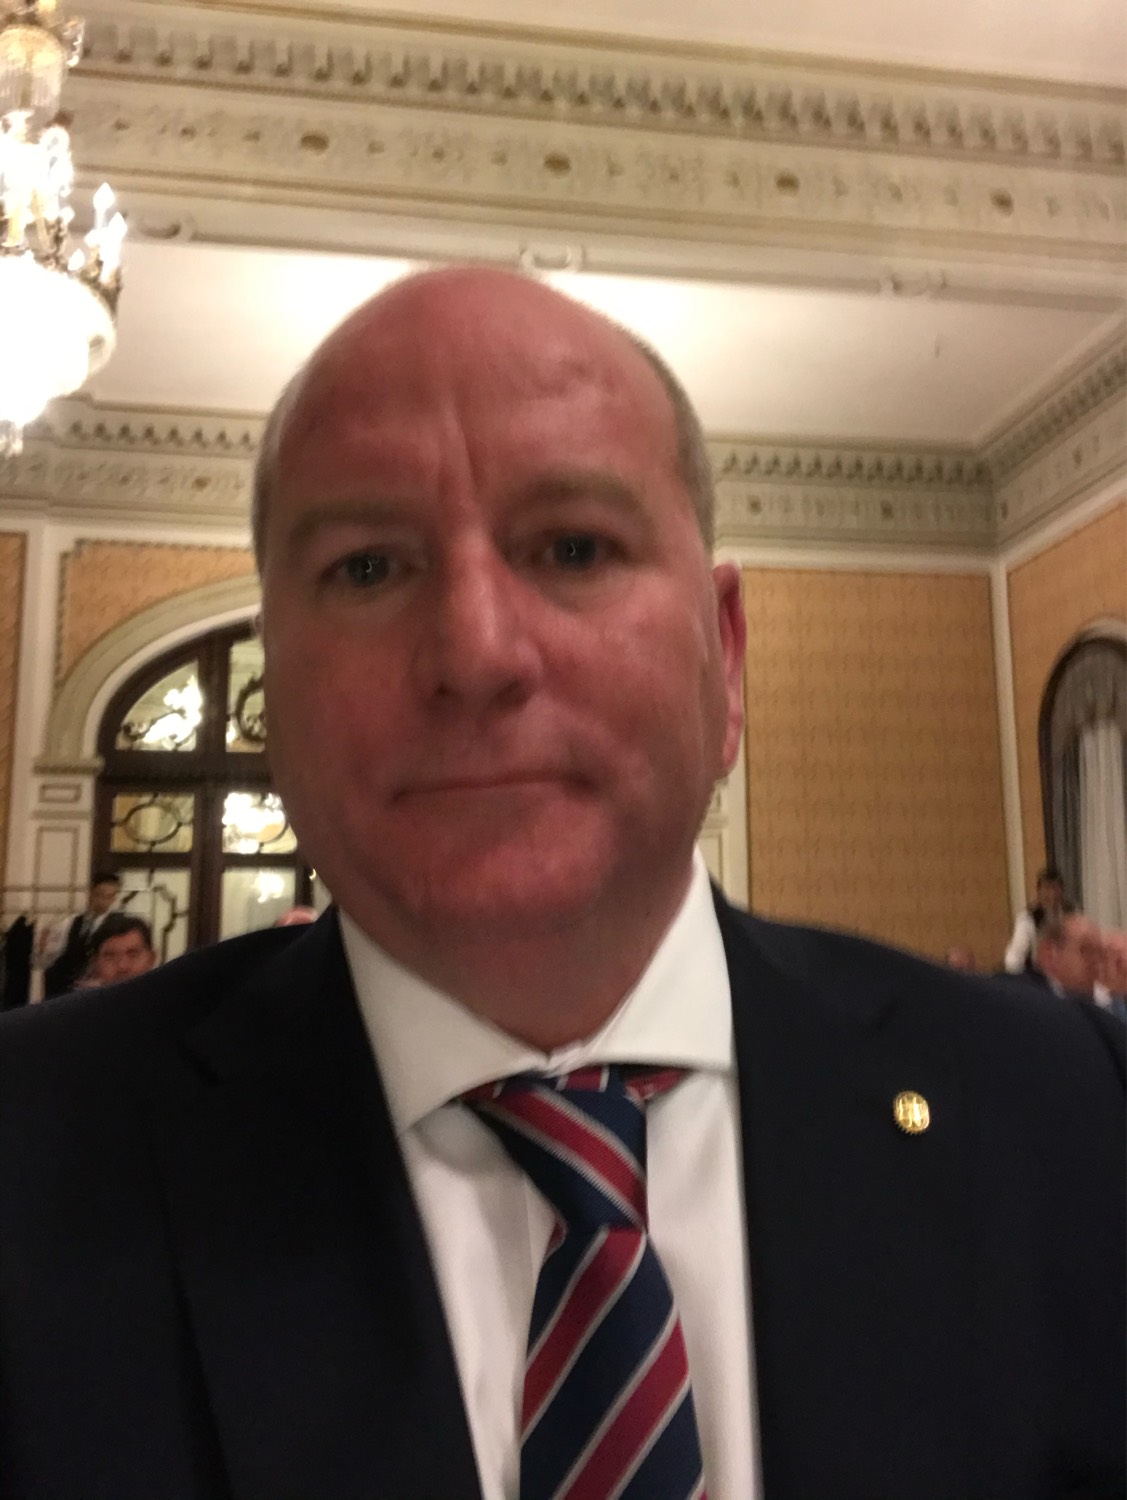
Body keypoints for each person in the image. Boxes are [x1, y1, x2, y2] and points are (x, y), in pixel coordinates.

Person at [0, 268, 1122, 1500]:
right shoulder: (34, 1151)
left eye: (573, 548)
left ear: (724, 657)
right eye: (368, 569)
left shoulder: (1070, 1113)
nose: (475, 651)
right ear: (276, 679)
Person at [35, 868, 121, 997]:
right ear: (91, 893)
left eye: (109, 896)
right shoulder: (70, 923)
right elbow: (44, 961)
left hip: (97, 992)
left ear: (114, 898)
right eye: (100, 894)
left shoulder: (116, 927)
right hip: (64, 989)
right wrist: (43, 949)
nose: (103, 900)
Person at [1002, 865, 1069, 974]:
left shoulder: (1071, 915)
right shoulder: (1028, 919)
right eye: (1047, 888)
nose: (1052, 894)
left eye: (1056, 888)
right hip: (1038, 976)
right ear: (1039, 892)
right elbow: (1014, 958)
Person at [72, 914, 158, 988]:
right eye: (110, 957)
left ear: (151, 959)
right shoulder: (81, 1002)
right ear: (95, 963)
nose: (122, 966)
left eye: (133, 955)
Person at [1034, 911, 1104, 998]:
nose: (1096, 960)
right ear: (1049, 955)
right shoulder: (1027, 999)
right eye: (1086, 950)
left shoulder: (1109, 999)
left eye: (1099, 952)